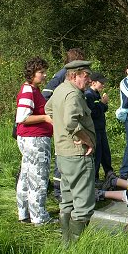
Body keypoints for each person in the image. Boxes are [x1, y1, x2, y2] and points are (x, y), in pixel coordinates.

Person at [45, 60, 96, 243]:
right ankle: (76, 248)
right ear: (74, 75)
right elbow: (70, 123)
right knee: (83, 205)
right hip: (77, 155)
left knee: (66, 201)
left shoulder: (60, 89)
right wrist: (86, 139)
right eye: (86, 75)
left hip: (63, 154)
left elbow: (48, 109)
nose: (89, 79)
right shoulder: (73, 94)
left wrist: (61, 130)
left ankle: (66, 244)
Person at [42, 48, 85, 202]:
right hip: (64, 124)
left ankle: (65, 189)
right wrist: (58, 116)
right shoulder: (62, 75)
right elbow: (46, 95)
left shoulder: (67, 75)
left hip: (67, 121)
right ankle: (59, 191)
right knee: (63, 154)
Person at [15, 57, 54, 225]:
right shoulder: (28, 91)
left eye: (44, 72)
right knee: (38, 178)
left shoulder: (33, 89)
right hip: (34, 140)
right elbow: (22, 117)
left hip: (32, 138)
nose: (44, 75)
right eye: (41, 72)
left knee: (25, 176)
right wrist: (46, 117)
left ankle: (24, 213)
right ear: (31, 73)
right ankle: (39, 217)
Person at [84, 72, 117, 186]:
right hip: (94, 129)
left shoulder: (97, 94)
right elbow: (92, 113)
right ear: (93, 82)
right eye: (101, 83)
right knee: (97, 155)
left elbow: (102, 109)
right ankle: (95, 178)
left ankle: (109, 173)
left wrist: (104, 104)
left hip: (101, 128)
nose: (103, 85)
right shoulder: (89, 95)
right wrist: (102, 103)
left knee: (105, 152)